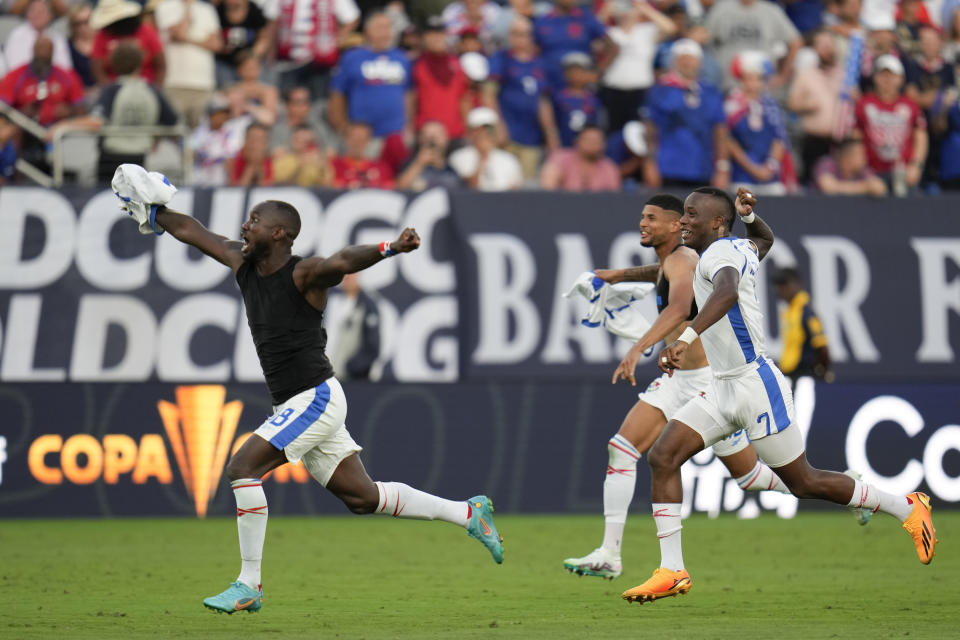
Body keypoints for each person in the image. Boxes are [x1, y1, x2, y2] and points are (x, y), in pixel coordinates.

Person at [139, 198, 503, 613]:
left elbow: (343, 260)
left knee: (242, 469)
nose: (244, 226)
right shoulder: (241, 264)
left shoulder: (303, 274)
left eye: (254, 221)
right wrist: (156, 211)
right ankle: (468, 512)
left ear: (279, 233)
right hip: (295, 403)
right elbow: (194, 231)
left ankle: (249, 584)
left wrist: (391, 248)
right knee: (362, 498)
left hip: (315, 397)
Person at [620, 187, 937, 605]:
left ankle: (906, 507)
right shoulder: (739, 245)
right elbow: (765, 241)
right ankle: (672, 570)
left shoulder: (718, 256)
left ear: (716, 223)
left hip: (754, 387)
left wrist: (687, 336)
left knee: (803, 481)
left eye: (692, 215)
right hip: (723, 386)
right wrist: (751, 217)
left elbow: (728, 291)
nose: (683, 222)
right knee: (663, 456)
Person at [562, 192, 792, 580]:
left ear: (674, 226)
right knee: (622, 448)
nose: (643, 223)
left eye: (652, 217)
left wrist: (638, 348)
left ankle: (837, 488)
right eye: (642, 216)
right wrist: (617, 275)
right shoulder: (672, 261)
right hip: (678, 380)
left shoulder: (684, 258)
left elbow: (679, 307)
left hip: (707, 382)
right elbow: (661, 276)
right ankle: (609, 554)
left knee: (751, 478)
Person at [46, 41, 179, 183]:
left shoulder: (112, 90)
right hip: (143, 157)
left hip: (112, 158)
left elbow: (96, 121)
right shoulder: (152, 90)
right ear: (140, 64)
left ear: (114, 65)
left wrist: (62, 126)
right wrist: (155, 137)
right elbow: (172, 122)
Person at [642, 38, 729, 189]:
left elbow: (719, 131)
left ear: (699, 62)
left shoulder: (710, 92)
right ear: (674, 61)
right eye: (682, 59)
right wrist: (649, 163)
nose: (687, 63)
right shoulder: (660, 90)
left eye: (691, 59)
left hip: (703, 166)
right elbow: (650, 129)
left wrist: (722, 167)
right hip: (668, 166)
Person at [485, 15, 559, 180]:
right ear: (510, 35)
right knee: (504, 181)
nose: (521, 38)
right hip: (507, 134)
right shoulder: (501, 59)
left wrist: (550, 134)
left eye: (525, 34)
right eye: (516, 33)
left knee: (526, 187)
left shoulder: (541, 64)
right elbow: (488, 94)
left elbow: (543, 102)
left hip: (532, 137)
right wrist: (498, 126)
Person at [328, 11, 413, 140]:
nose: (385, 32)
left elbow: (409, 95)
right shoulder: (352, 57)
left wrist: (409, 126)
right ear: (368, 31)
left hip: (396, 136)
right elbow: (337, 94)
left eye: (388, 27)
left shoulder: (402, 58)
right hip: (362, 138)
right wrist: (342, 126)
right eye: (379, 27)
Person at [854, 54, 928, 194]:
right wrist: (862, 170)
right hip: (872, 172)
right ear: (875, 78)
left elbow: (921, 136)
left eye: (892, 76)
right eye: (883, 75)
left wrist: (916, 165)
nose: (887, 80)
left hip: (903, 172)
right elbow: (856, 135)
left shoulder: (910, 105)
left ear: (900, 79)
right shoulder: (864, 104)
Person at [600, 0, 676, 132]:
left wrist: (643, 7)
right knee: (614, 132)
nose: (626, 12)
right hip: (613, 92)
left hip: (641, 92)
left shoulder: (646, 31)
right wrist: (608, 7)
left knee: (641, 132)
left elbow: (670, 28)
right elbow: (592, 30)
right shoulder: (610, 32)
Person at [724, 51, 788, 195]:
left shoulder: (771, 105)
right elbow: (728, 140)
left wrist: (770, 166)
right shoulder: (732, 105)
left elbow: (779, 138)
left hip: (770, 174)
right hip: (741, 173)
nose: (753, 83)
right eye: (748, 78)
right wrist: (753, 168)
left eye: (758, 78)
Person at [786, 28, 845, 184]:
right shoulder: (806, 74)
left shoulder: (844, 74)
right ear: (815, 49)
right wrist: (807, 104)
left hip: (840, 142)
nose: (827, 48)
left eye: (830, 44)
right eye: (822, 44)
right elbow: (791, 103)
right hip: (813, 141)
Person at [154, 0, 223, 128]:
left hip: (203, 83)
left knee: (200, 133)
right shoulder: (165, 7)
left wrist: (188, 40)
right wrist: (187, 9)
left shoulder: (207, 9)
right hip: (175, 82)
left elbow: (216, 44)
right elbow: (179, 33)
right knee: (174, 130)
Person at [533, 0, 614, 91]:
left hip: (579, 89)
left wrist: (598, 72)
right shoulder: (543, 21)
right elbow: (532, 52)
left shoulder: (586, 19)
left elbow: (613, 48)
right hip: (550, 86)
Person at [412, 16, 470, 140]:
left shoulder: (457, 64)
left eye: (439, 33)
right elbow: (411, 100)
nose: (436, 38)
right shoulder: (416, 64)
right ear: (424, 38)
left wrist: (467, 128)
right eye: (431, 34)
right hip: (427, 133)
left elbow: (464, 99)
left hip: (455, 133)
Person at [772, 267, 833, 385]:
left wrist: (821, 372)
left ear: (797, 284)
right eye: (779, 285)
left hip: (803, 377)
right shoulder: (791, 312)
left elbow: (821, 345)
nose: (781, 289)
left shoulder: (806, 312)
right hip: (790, 375)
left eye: (784, 284)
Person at [89, 0, 166, 86]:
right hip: (115, 88)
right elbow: (97, 68)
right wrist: (111, 90)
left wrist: (155, 89)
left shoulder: (146, 32)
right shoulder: (102, 36)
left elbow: (161, 64)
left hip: (147, 86)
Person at [449, 106, 522, 190]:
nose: (484, 134)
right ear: (470, 132)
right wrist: (483, 157)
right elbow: (470, 186)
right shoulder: (459, 157)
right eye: (478, 130)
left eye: (489, 129)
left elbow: (515, 192)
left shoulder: (509, 159)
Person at [329, 273, 381, 380]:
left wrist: (350, 368)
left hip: (352, 379)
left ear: (358, 275)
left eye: (352, 272)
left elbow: (372, 346)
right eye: (345, 273)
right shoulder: (332, 302)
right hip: (328, 376)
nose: (347, 277)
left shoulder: (367, 305)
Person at [539, 124, 620, 191]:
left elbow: (613, 198)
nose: (593, 144)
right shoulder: (560, 158)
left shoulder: (609, 167)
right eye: (589, 140)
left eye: (597, 141)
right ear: (577, 141)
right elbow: (548, 188)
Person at [3, 0, 73, 72]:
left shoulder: (58, 38)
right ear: (27, 14)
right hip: (25, 80)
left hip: (53, 80)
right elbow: (15, 68)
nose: (37, 14)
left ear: (51, 16)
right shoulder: (17, 36)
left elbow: (65, 68)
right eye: (33, 10)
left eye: (42, 11)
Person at [551, 51, 601, 148]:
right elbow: (552, 124)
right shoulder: (558, 97)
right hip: (563, 147)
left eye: (581, 71)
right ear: (565, 74)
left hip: (585, 149)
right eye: (573, 71)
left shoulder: (593, 99)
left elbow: (596, 124)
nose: (577, 75)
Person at [395, 120, 463, 191]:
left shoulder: (456, 166)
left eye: (436, 135)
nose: (432, 139)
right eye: (427, 135)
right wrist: (420, 163)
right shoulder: (410, 164)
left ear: (446, 139)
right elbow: (400, 188)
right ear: (420, 139)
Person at [331, 121, 395, 188]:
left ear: (368, 141)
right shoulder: (334, 166)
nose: (357, 144)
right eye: (354, 139)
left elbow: (390, 190)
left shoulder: (382, 168)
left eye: (362, 139)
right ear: (346, 139)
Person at [813, 137, 887, 195]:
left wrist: (869, 187)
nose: (865, 158)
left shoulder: (862, 170)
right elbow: (827, 186)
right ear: (848, 157)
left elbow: (879, 187)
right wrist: (865, 188)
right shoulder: (827, 163)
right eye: (861, 154)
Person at [227, 121, 274, 186]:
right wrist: (251, 166)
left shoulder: (268, 160)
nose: (255, 145)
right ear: (245, 140)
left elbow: (267, 190)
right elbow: (235, 191)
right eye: (253, 139)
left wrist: (259, 168)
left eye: (260, 140)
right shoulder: (232, 160)